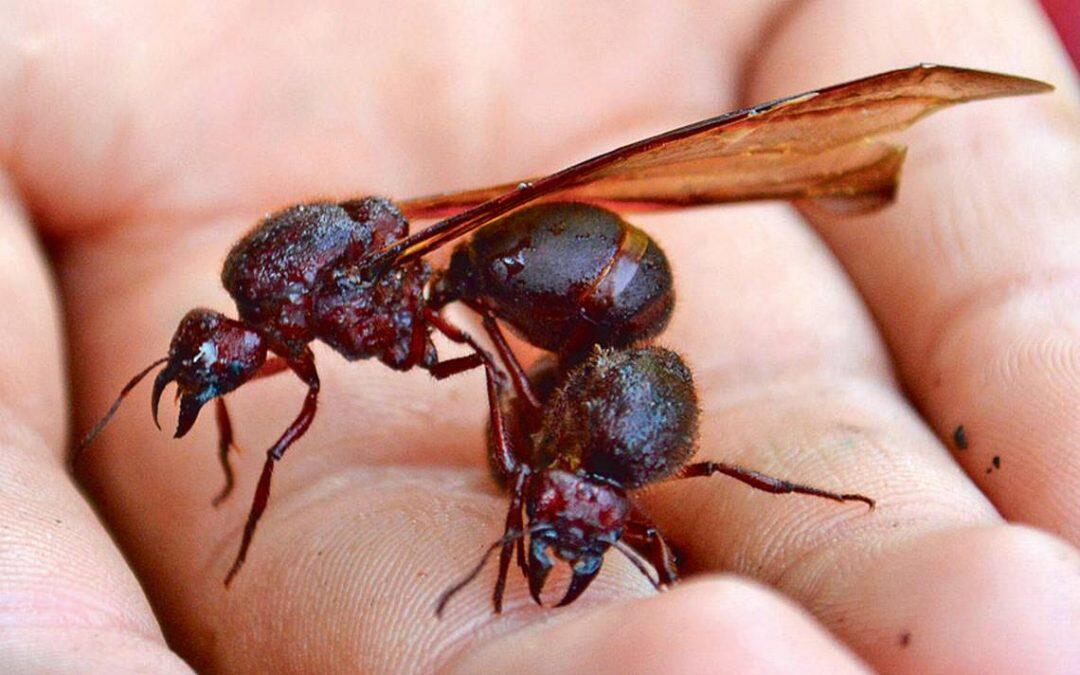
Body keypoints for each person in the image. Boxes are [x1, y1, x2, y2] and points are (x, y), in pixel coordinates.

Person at [0, 1, 1077, 672]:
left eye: (217, 357)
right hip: (539, 289)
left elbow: (478, 351)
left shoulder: (368, 289)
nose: (220, 369)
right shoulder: (307, 302)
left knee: (479, 331)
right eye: (214, 359)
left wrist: (527, 444)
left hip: (600, 283)